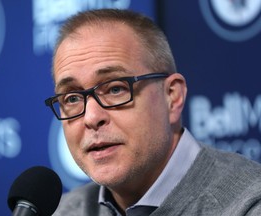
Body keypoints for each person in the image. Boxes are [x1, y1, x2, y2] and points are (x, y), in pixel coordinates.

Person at [45, 9, 261, 216]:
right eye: (72, 98)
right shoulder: (64, 211)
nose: (91, 118)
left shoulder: (249, 203)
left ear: (172, 96)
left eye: (115, 89)